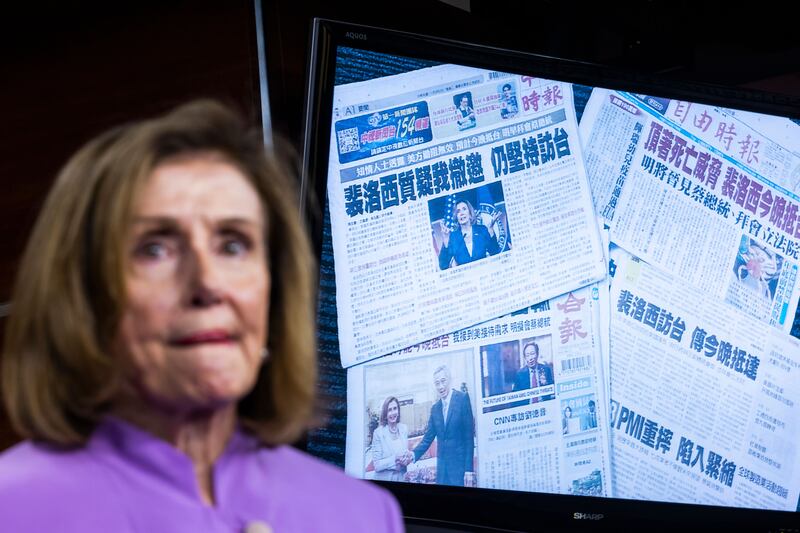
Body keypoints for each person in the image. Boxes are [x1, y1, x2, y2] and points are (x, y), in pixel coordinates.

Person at [0, 100, 403, 532]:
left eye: (233, 245)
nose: (208, 284)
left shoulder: (364, 515)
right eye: (155, 248)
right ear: (82, 292)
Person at [412, 365, 475, 487]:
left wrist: (469, 470)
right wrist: (413, 454)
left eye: (443, 381)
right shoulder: (435, 409)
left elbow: (469, 438)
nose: (440, 386)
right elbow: (427, 438)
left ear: (449, 379)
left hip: (460, 469)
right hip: (442, 471)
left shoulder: (462, 399)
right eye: (437, 383)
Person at [438, 199, 501, 269]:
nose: (461, 213)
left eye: (464, 209)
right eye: (458, 211)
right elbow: (443, 265)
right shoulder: (453, 237)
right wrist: (446, 240)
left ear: (470, 213)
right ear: (456, 216)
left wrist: (491, 231)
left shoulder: (482, 230)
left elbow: (495, 253)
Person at [371, 396, 413, 482]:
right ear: (385, 413)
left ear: (398, 410)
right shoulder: (378, 433)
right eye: (389, 410)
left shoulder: (403, 428)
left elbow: (405, 454)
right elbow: (377, 465)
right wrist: (395, 459)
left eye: (395, 408)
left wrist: (408, 458)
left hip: (402, 478)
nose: (393, 413)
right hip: (385, 479)